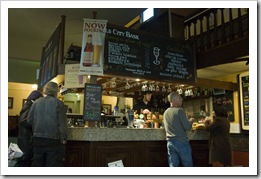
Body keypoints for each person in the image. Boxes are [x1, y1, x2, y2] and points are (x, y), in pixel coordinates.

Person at [27, 81, 68, 167]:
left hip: (37, 140)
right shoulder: (59, 104)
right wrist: (64, 138)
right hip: (53, 141)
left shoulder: (36, 103)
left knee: (37, 166)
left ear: (45, 90)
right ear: (56, 91)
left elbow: (29, 120)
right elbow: (62, 124)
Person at [163, 92, 194, 167]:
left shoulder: (165, 112)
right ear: (174, 100)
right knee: (188, 166)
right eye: (179, 98)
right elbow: (187, 127)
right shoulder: (179, 111)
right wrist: (191, 121)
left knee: (173, 166)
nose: (182, 99)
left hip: (170, 143)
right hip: (181, 142)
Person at [15, 90, 43, 167]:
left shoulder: (28, 105)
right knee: (25, 161)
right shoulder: (29, 106)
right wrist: (35, 125)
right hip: (26, 139)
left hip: (25, 138)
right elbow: (23, 121)